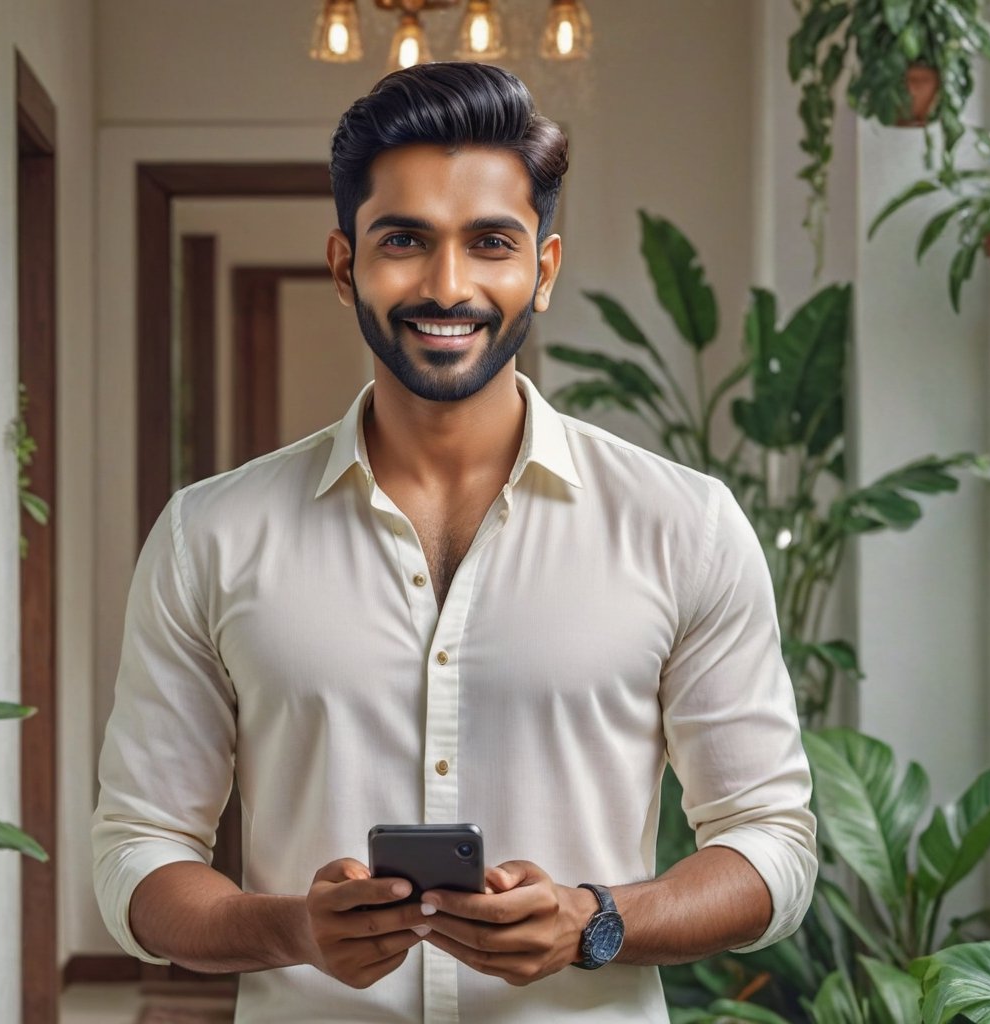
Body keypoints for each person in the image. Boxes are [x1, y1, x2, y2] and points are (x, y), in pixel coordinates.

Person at [92, 61, 817, 1023]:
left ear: (542, 271)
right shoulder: (209, 535)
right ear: (346, 264)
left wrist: (593, 919)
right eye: (404, 241)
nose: (448, 285)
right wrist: (295, 930)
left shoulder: (684, 525)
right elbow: (137, 854)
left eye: (490, 243)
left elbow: (771, 843)